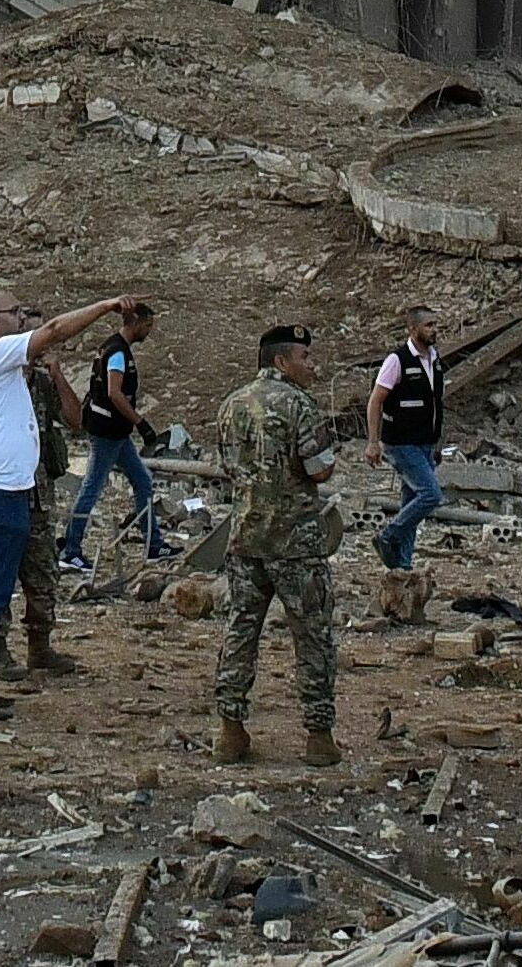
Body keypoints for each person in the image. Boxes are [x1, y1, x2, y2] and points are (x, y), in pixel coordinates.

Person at [0, 288, 135, 720]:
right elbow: (51, 331)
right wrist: (103, 305)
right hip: (0, 490)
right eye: (14, 313)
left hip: (0, 487)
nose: (21, 319)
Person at [214, 322, 343, 767]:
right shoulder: (300, 407)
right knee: (313, 636)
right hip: (296, 543)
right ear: (281, 361)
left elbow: (229, 467)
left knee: (240, 631)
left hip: (246, 539)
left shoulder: (231, 405)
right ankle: (319, 736)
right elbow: (320, 470)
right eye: (305, 358)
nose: (312, 365)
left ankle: (230, 730)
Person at [61, 302, 169, 570]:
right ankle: (70, 549)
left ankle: (153, 545)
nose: (149, 331)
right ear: (136, 323)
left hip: (116, 432)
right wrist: (140, 422)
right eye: (147, 326)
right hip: (107, 432)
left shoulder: (113, 347)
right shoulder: (118, 352)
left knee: (143, 480)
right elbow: (114, 392)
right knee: (91, 488)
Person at [7, 345, 87, 679]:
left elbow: (76, 420)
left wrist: (57, 374)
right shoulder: (0, 380)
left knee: (43, 576)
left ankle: (40, 647)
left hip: (39, 496)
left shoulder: (41, 384)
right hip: (5, 492)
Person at [364, 307, 447, 574]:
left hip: (424, 443)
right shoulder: (397, 361)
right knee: (430, 494)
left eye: (436, 324)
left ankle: (403, 567)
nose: (434, 329)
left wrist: (436, 443)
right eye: (429, 325)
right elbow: (376, 401)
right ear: (413, 329)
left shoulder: (434, 359)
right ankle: (388, 535)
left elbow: (435, 404)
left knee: (412, 502)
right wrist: (373, 442)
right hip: (401, 443)